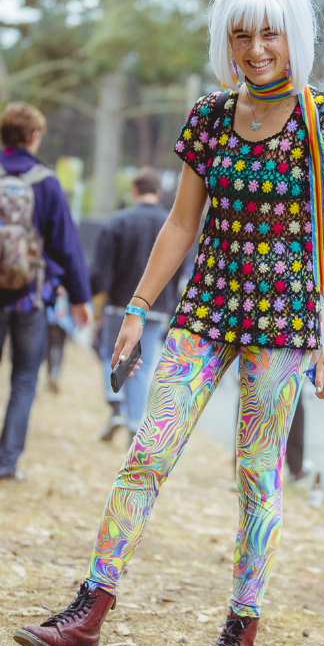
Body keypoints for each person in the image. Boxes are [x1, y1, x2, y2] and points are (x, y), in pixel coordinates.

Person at [13, 0, 324, 646]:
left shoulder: (322, 121)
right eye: (241, 33)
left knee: (255, 480)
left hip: (284, 323)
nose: (255, 47)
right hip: (204, 311)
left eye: (268, 32)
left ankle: (237, 635)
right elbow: (181, 223)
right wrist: (137, 308)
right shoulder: (207, 115)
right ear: (224, 39)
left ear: (292, 35)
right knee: (146, 455)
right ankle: (87, 613)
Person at [0, 102, 92, 480]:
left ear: (2, 135)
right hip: (30, 296)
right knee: (25, 378)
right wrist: (79, 298)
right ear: (34, 137)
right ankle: (6, 463)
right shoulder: (46, 183)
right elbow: (66, 245)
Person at [90, 170, 179, 443]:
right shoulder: (173, 224)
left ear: (135, 191)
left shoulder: (118, 221)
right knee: (142, 363)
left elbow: (99, 271)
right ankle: (133, 423)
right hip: (158, 307)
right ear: (159, 193)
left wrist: (95, 299)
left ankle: (115, 407)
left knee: (109, 353)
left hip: (120, 304)